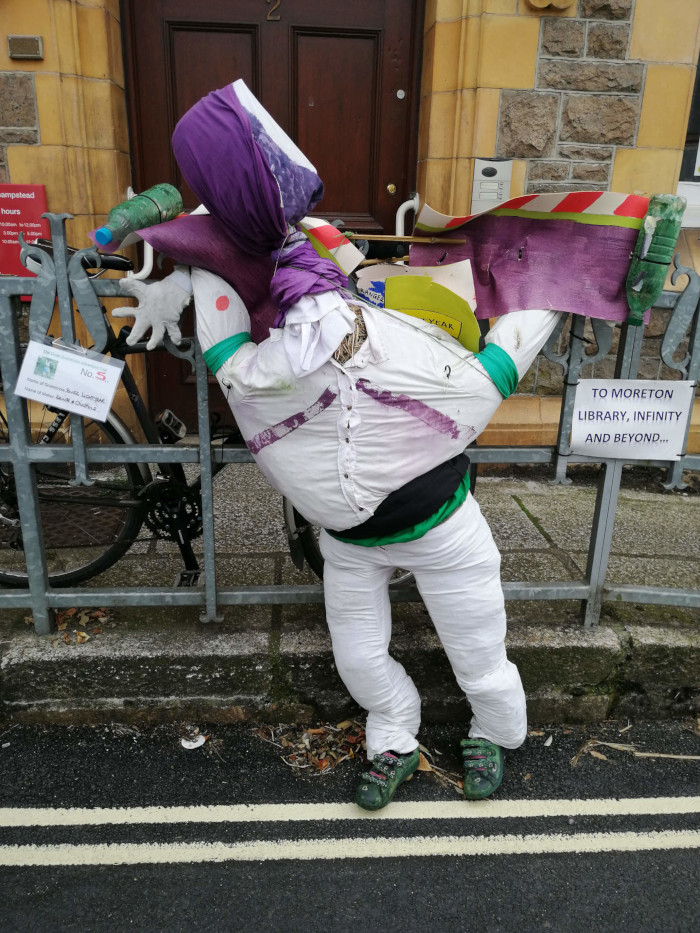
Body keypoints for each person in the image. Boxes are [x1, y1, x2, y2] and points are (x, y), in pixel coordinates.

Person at [112, 81, 639, 811]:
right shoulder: (234, 261)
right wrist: (173, 267)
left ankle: (495, 731)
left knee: (480, 658)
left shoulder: (315, 255)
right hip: (348, 541)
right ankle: (393, 733)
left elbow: (349, 295)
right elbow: (221, 304)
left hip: (443, 529)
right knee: (360, 660)